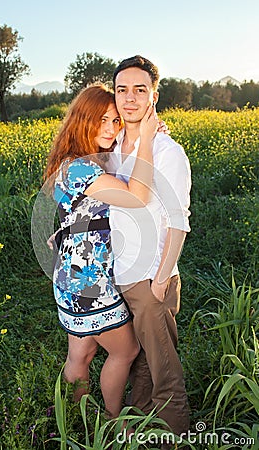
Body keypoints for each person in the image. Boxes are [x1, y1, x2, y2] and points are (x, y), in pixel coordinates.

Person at [44, 83, 159, 419]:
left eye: (115, 121)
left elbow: (80, 214)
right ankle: (112, 420)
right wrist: (148, 140)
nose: (110, 129)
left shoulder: (70, 161)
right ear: (83, 121)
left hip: (70, 275)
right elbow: (137, 197)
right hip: (88, 282)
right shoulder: (82, 168)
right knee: (127, 351)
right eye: (102, 121)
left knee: (82, 352)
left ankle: (76, 419)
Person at [109, 55, 191, 439]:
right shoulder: (114, 144)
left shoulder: (167, 152)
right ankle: (142, 433)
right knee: (141, 367)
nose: (130, 98)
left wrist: (161, 278)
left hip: (150, 277)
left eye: (139, 90)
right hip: (122, 275)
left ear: (154, 96)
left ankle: (175, 443)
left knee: (164, 376)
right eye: (122, 89)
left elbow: (178, 220)